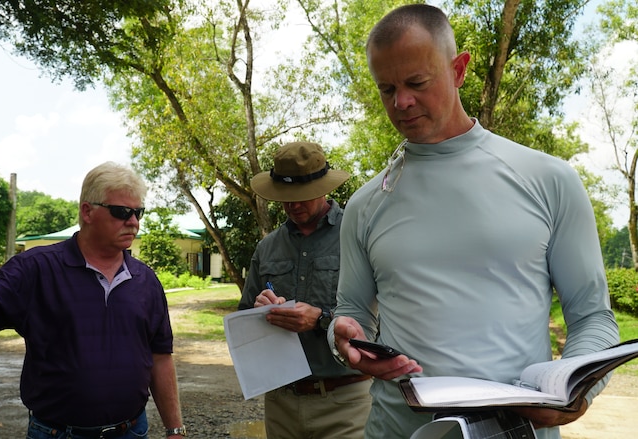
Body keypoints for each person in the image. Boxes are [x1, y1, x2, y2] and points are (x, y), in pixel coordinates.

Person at [329, 4, 620, 439]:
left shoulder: (549, 179)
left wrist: (575, 393)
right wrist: (343, 338)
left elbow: (593, 318)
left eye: (416, 83)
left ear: (459, 69)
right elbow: (352, 311)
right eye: (385, 88)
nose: (401, 102)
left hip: (516, 431)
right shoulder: (366, 203)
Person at [0, 162, 187, 439]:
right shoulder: (36, 268)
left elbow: (160, 357)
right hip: (57, 433)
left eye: (139, 212)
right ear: (87, 211)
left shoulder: (145, 280)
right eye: (122, 211)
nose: (133, 222)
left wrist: (175, 430)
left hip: (132, 431)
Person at [240, 141, 372, 439]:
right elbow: (243, 320)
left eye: (302, 196)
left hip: (347, 401)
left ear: (323, 188)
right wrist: (260, 311)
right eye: (285, 198)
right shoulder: (267, 247)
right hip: (281, 403)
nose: (293, 205)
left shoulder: (357, 235)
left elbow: (385, 314)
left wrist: (322, 319)